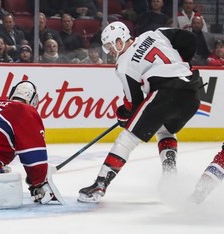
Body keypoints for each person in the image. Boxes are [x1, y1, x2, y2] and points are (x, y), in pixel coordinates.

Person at [77, 21, 202, 203]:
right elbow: (189, 39)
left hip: (166, 93)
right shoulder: (155, 33)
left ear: (120, 41)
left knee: (127, 138)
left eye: (109, 45)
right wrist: (181, 63)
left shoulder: (124, 64)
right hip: (192, 93)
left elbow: (134, 103)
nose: (109, 51)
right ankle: (169, 175)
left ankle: (100, 184)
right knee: (165, 130)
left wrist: (123, 114)